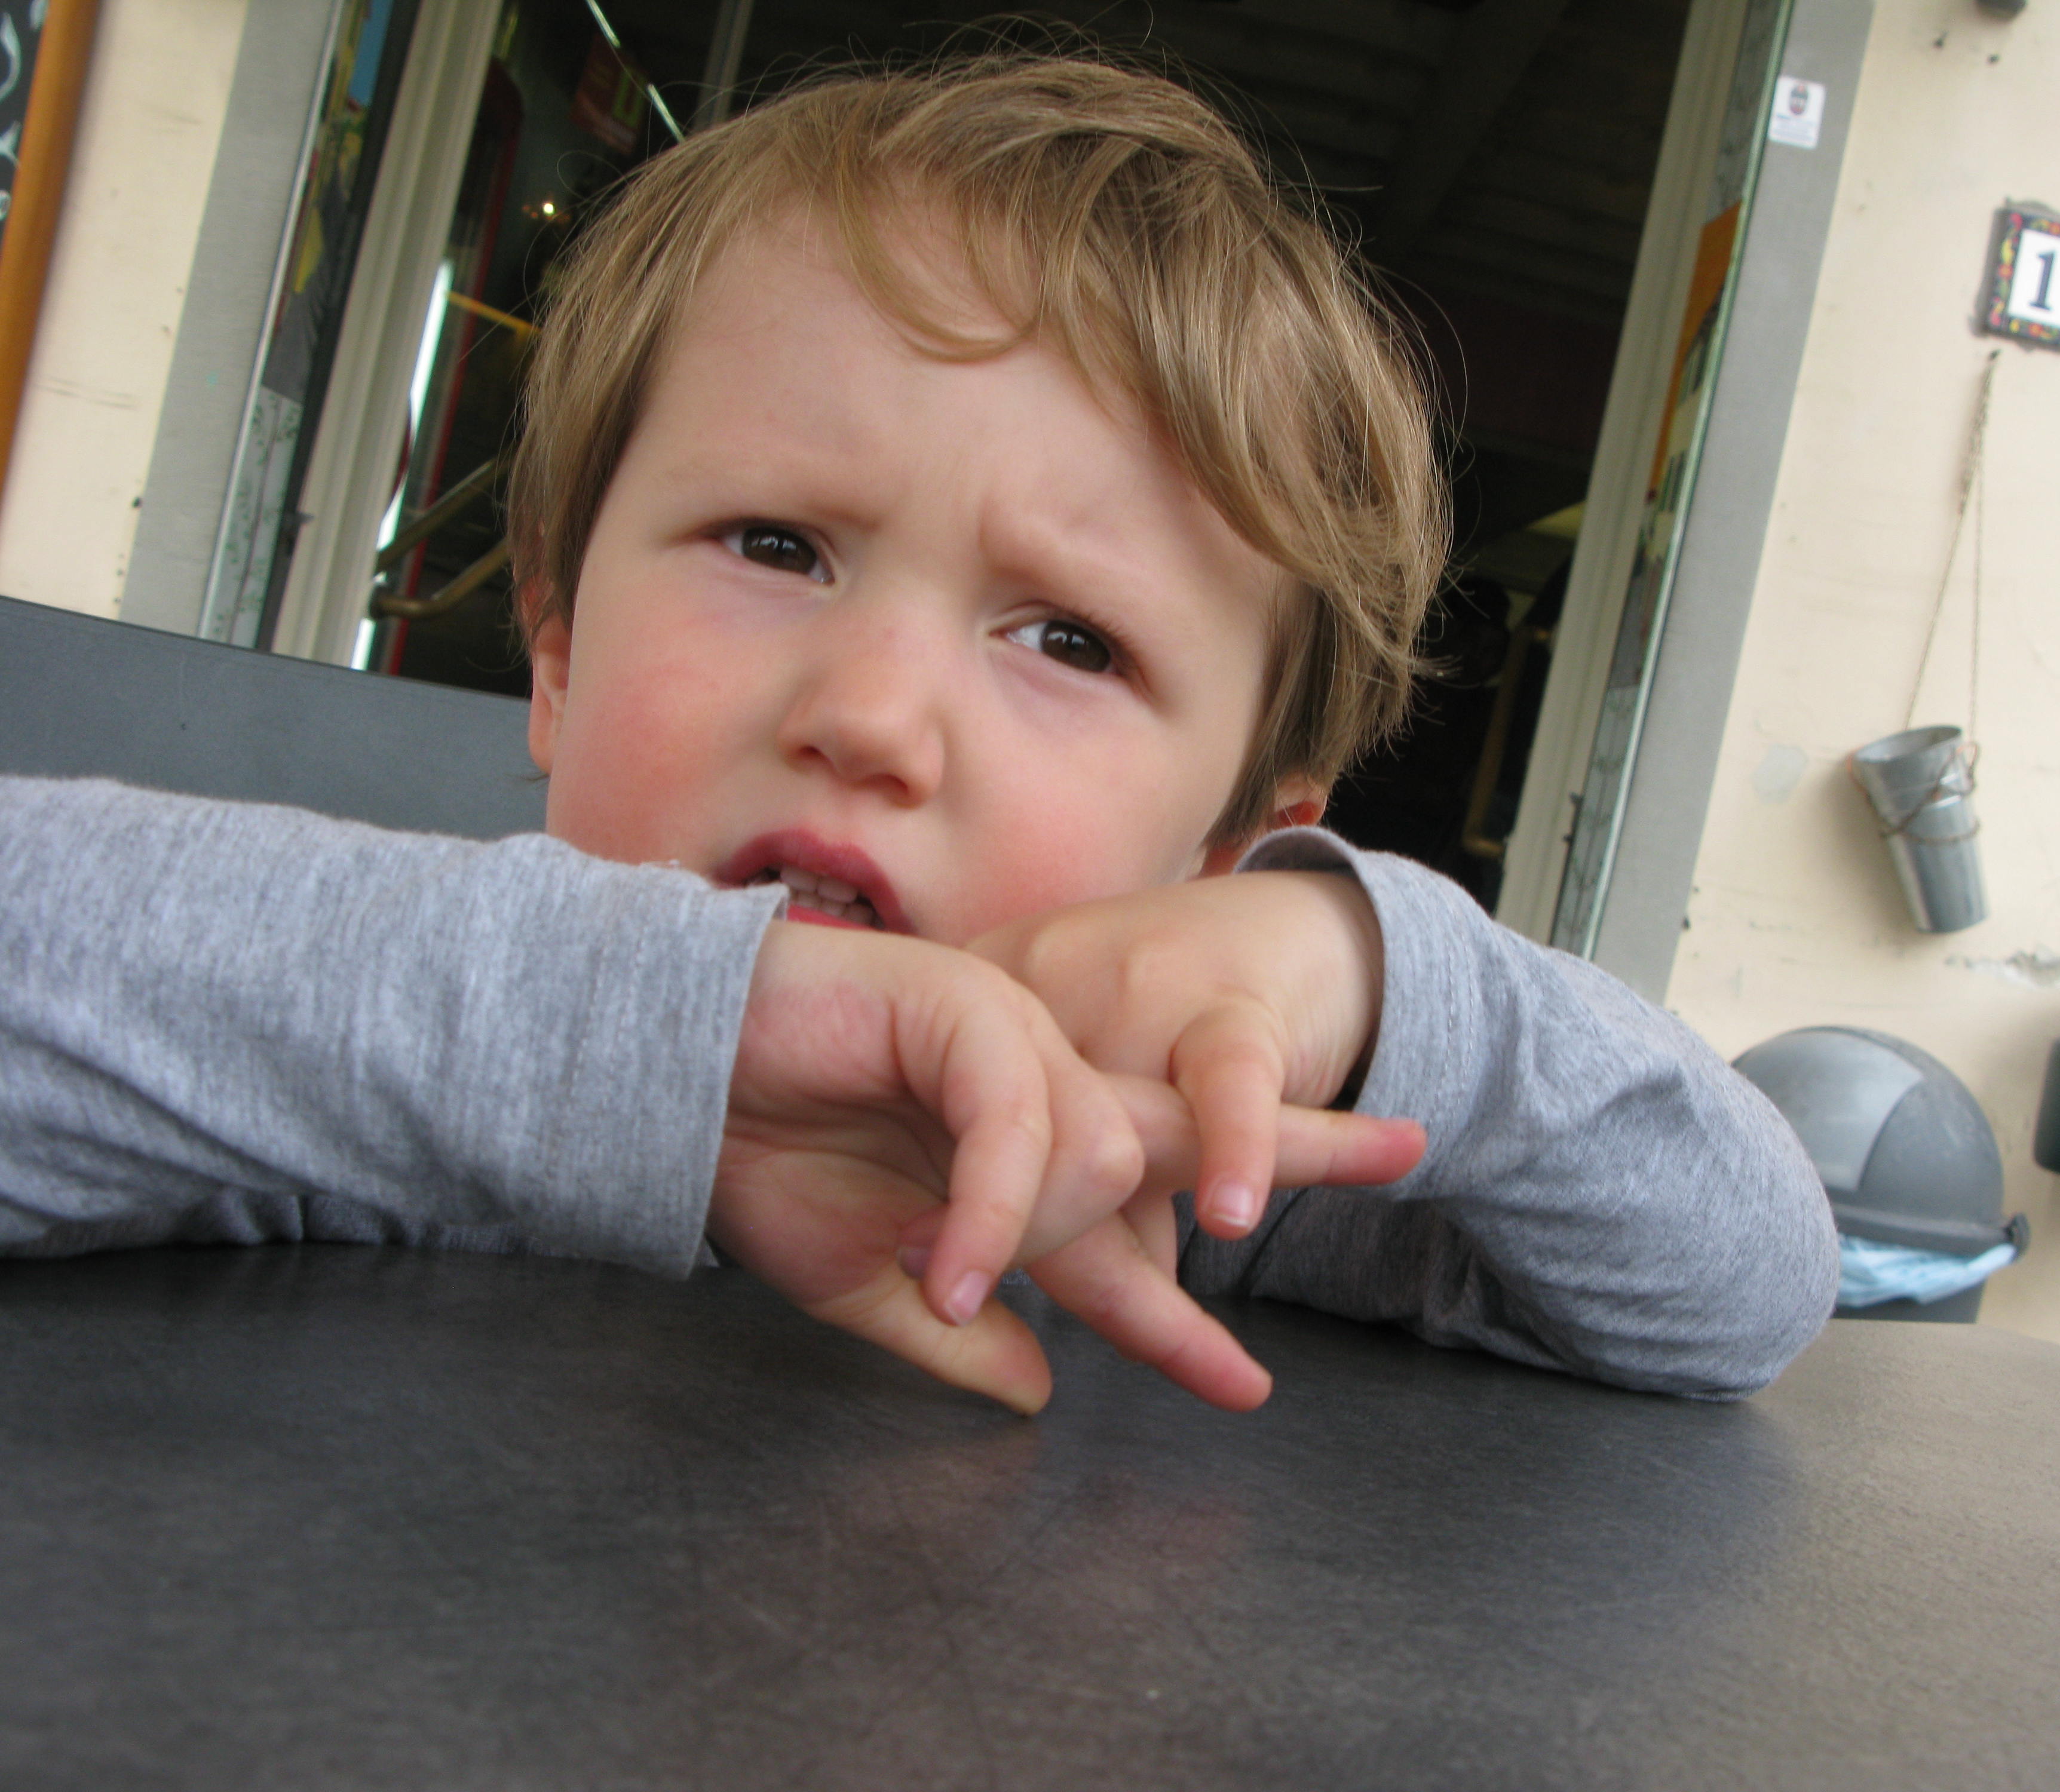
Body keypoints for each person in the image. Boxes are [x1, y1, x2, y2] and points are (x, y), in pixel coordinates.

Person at [0, 54, 1835, 1414]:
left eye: (1070, 640)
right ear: (556, 646)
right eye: (774, 545)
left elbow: (1746, 1288)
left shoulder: (1193, 1184)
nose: (870, 716)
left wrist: (1357, 960)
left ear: (1213, 850)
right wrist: (656, 1031)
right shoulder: (348, 1069)